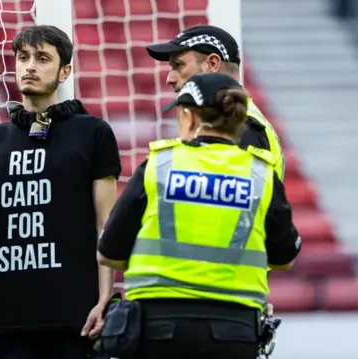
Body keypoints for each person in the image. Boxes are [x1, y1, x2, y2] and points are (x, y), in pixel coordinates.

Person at [96, 72, 301, 359]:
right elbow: (284, 258)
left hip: (158, 328)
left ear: (190, 117)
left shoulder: (159, 164)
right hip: (234, 330)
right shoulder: (261, 174)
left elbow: (108, 251)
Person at [0, 25, 122, 358]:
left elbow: (107, 224)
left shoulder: (93, 132)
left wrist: (104, 299)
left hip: (76, 317)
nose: (30, 66)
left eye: (43, 59)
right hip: (8, 318)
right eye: (24, 57)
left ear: (64, 71)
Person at [146, 24, 286, 180]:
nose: (169, 79)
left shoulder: (243, 128)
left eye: (179, 65)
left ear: (212, 64)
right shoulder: (233, 122)